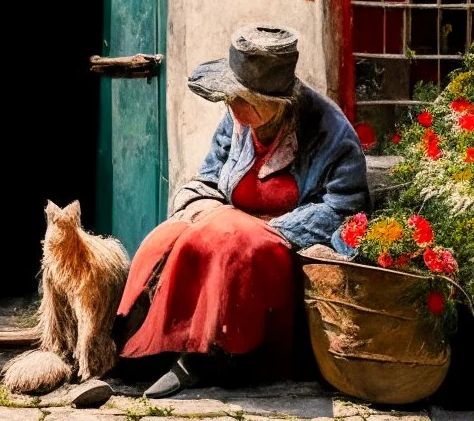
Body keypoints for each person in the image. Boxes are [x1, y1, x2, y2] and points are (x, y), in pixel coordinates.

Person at [114, 23, 370, 398]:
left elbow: (347, 208)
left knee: (233, 243)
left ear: (272, 103)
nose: (230, 106)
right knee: (165, 239)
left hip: (284, 242)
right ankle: (134, 348)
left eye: (240, 99)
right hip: (227, 223)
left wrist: (272, 227)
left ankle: (209, 359)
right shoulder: (234, 120)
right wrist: (198, 209)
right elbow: (210, 176)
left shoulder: (330, 131)